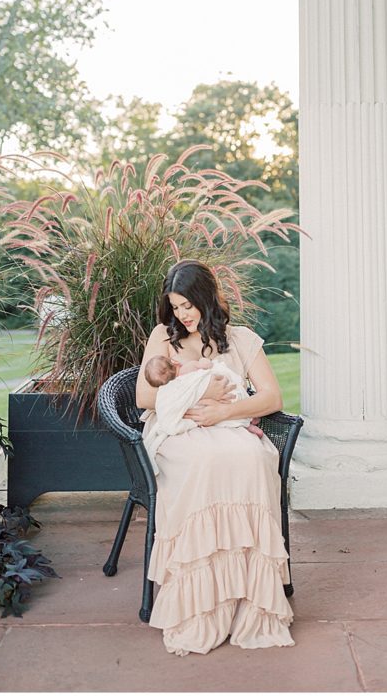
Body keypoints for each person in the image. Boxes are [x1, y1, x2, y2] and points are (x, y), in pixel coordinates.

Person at [136, 258, 295, 656]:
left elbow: (272, 397)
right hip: (180, 431)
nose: (182, 315)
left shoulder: (240, 339)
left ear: (208, 299)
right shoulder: (162, 336)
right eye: (175, 307)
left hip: (229, 425)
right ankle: (202, 606)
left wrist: (224, 411)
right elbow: (144, 396)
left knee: (252, 460)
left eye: (188, 305)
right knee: (204, 463)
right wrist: (201, 395)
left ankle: (248, 601)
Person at [142, 353, 264, 475]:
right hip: (220, 401)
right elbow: (207, 365)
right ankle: (247, 419)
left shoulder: (172, 392)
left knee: (213, 416)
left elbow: (175, 407)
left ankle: (246, 425)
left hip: (202, 410)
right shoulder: (188, 367)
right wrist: (204, 361)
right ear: (174, 362)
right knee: (223, 404)